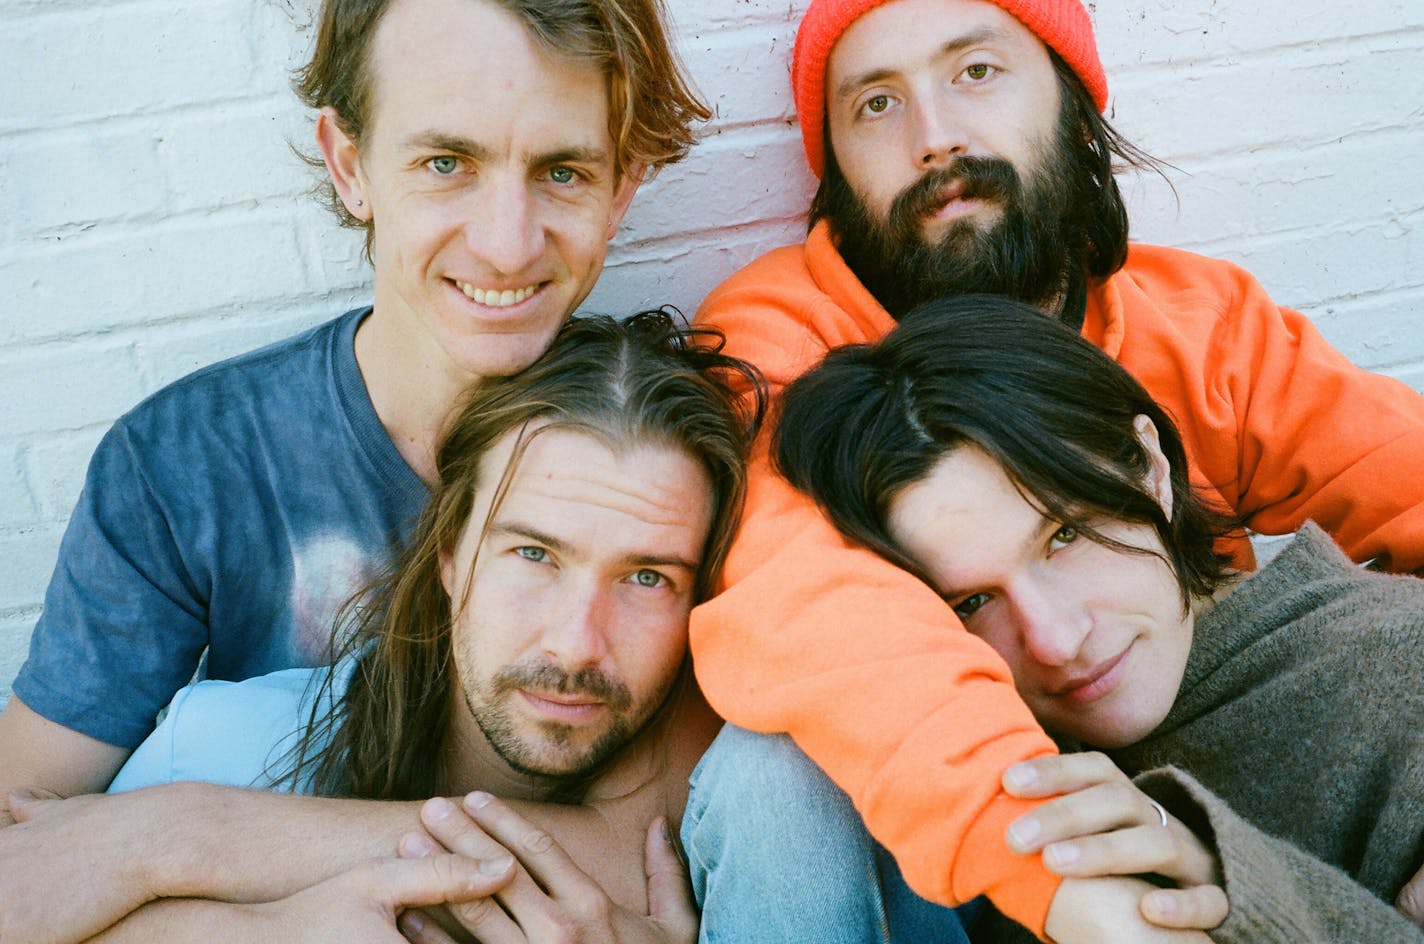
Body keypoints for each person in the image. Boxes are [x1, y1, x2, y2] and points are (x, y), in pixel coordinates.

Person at [685, 0, 1424, 938]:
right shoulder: (774, 348)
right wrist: (1049, 858)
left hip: (1224, 785)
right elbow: (808, 599)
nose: (935, 138)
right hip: (979, 843)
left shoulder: (1204, 325)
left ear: (1074, 103)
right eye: (875, 104)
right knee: (775, 771)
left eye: (976, 72)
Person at [0, 0, 709, 935]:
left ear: (622, 189)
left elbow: (650, 852)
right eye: (446, 163)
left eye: (564, 171)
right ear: (350, 164)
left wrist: (180, 839)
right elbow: (29, 851)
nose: (506, 242)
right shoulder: (187, 461)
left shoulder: (663, 467)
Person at [32, 311, 761, 941]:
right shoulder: (215, 753)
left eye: (647, 578)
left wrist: (190, 839)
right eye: (533, 555)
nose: (577, 643)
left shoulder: (727, 804)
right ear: (448, 553)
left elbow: (633, 848)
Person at [773, 293, 1424, 943]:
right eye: (971, 602)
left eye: (1064, 535)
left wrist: (1236, 889)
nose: (1055, 641)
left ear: (1150, 469)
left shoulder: (1400, 670)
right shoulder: (983, 766)